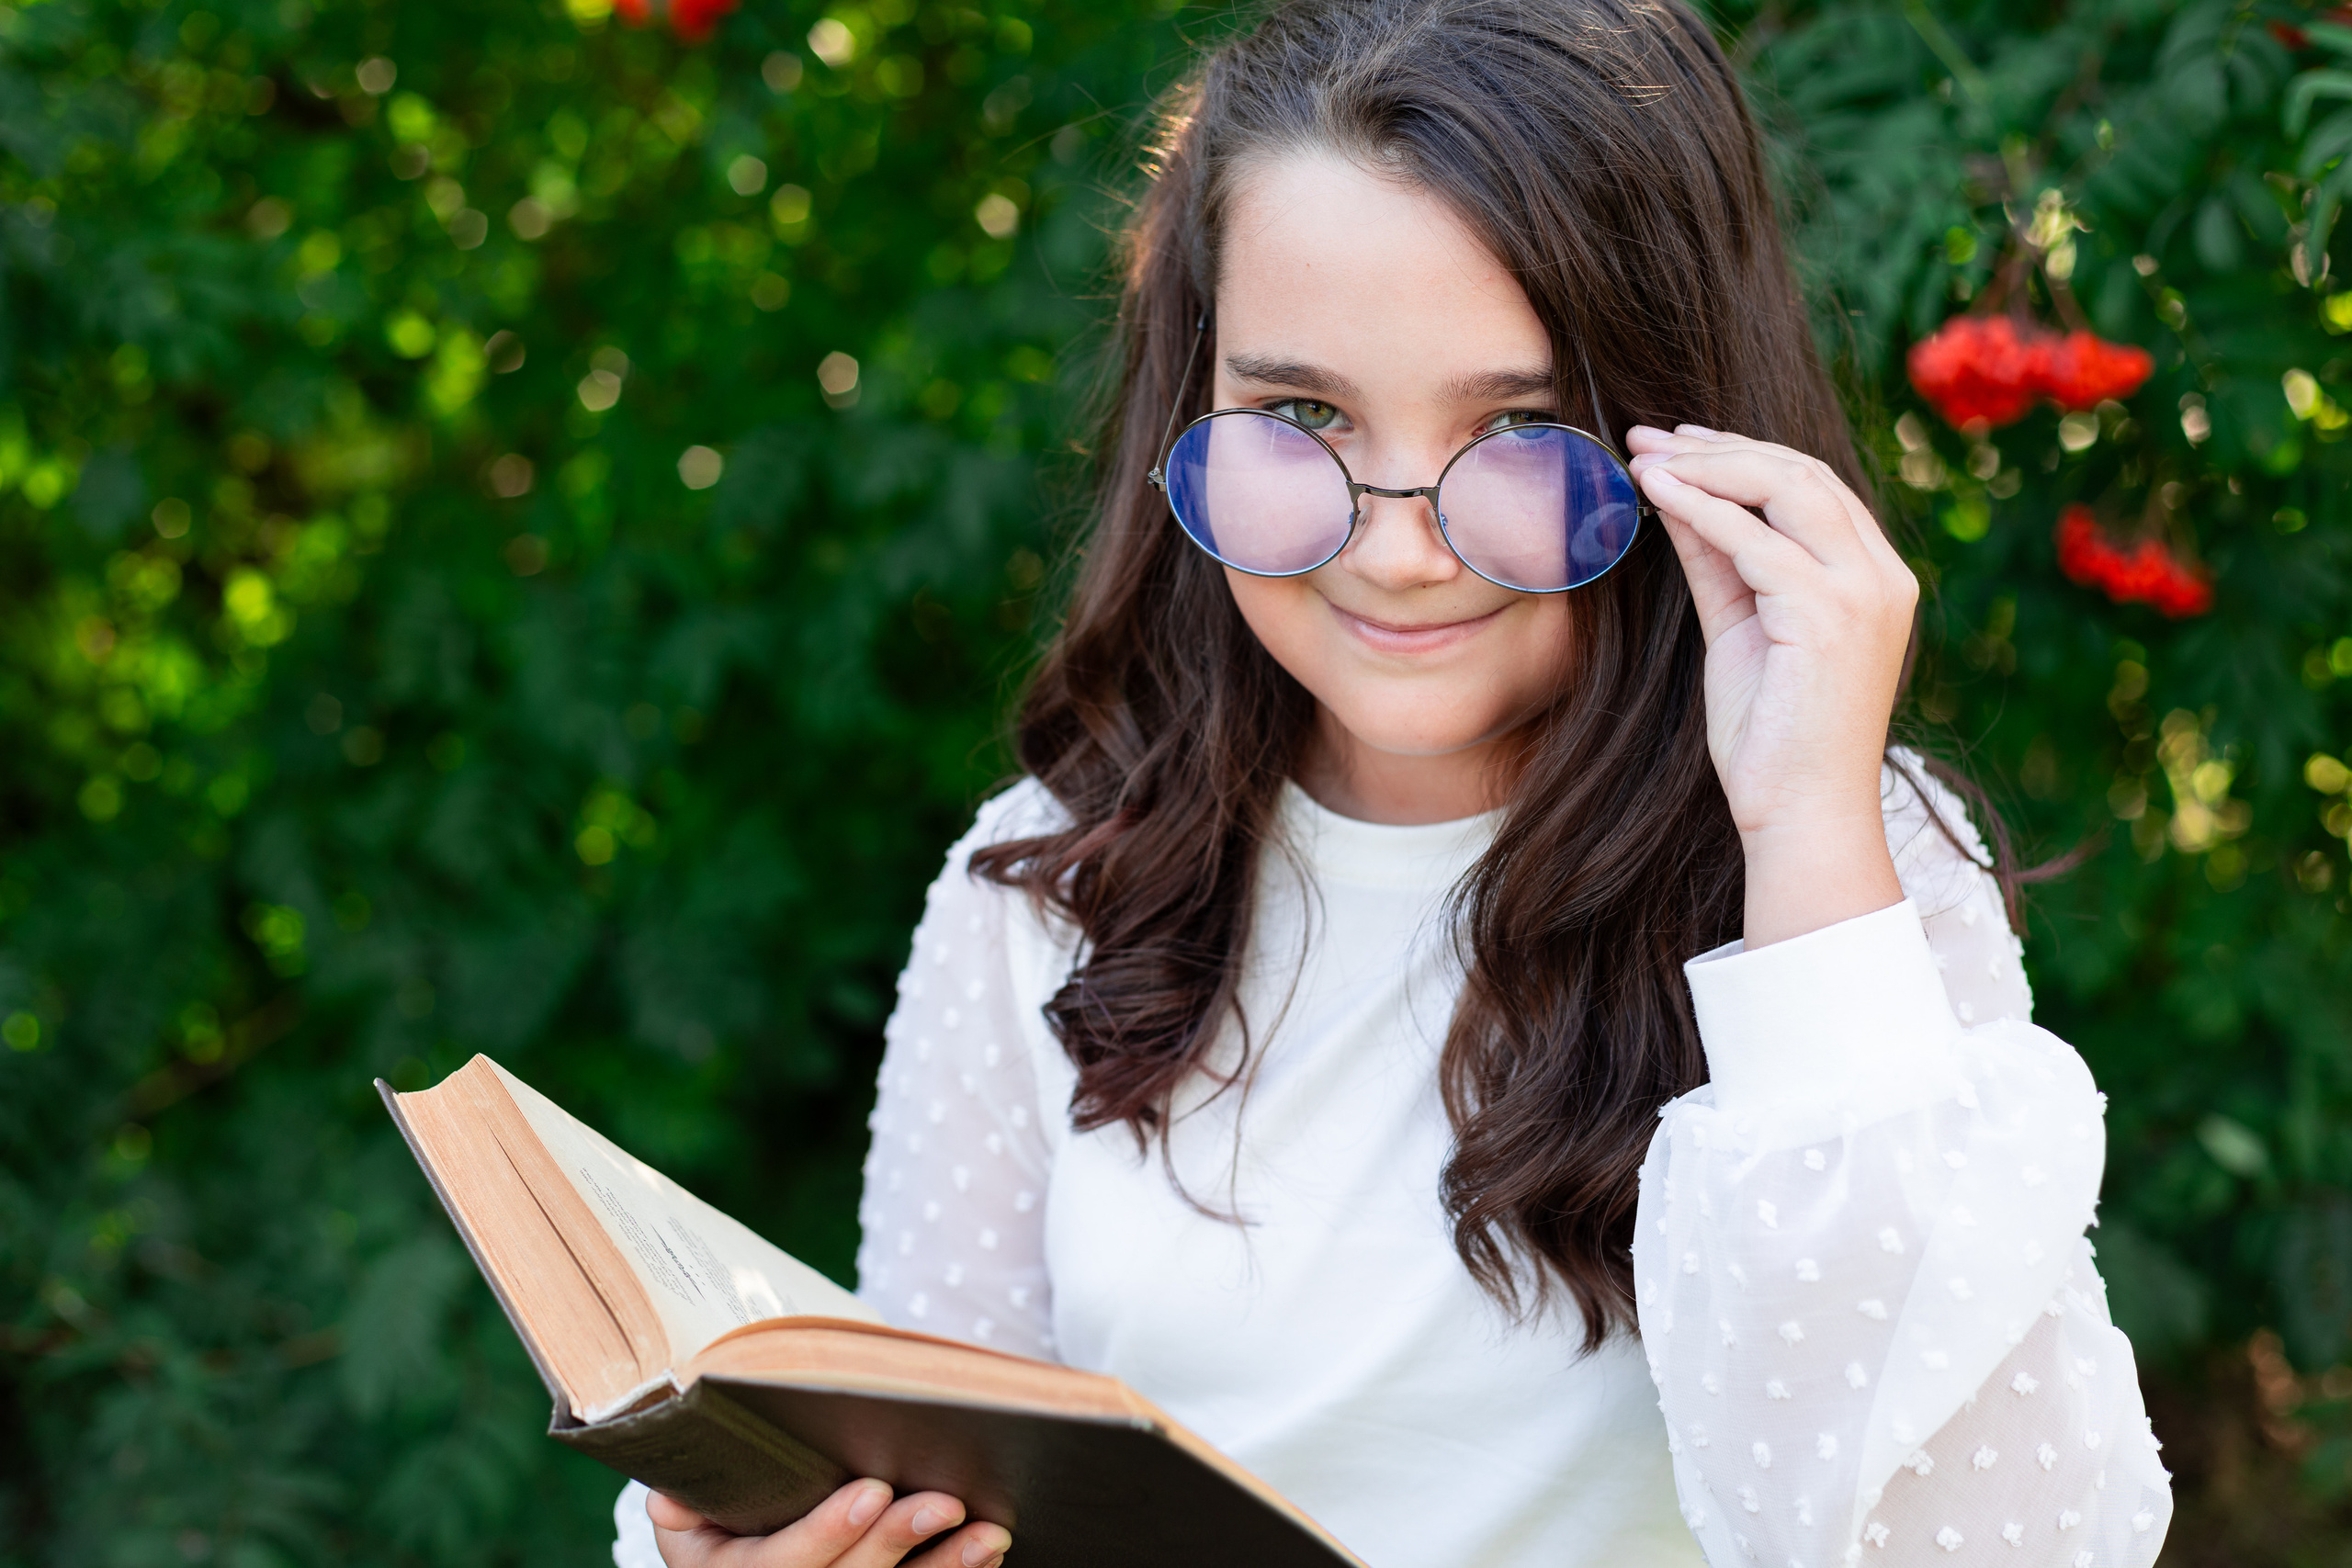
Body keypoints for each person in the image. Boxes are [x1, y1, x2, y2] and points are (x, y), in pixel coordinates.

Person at [616, 1, 2173, 1563]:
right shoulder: (1054, 875)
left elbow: (1997, 1543)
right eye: (1301, 416)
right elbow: (945, 1455)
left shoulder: (1857, 853)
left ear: (1683, 431)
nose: (1396, 548)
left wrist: (1807, 846)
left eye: (1518, 429)